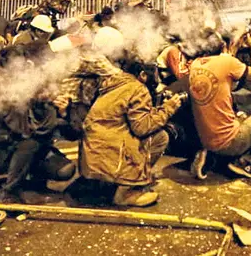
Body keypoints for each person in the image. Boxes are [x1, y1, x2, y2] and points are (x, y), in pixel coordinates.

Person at [79, 55, 185, 207]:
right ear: (142, 75)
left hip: (93, 157)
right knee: (160, 137)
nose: (156, 79)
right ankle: (125, 192)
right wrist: (169, 108)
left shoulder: (117, 83)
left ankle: (108, 183)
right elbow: (142, 128)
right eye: (153, 74)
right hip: (109, 152)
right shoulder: (138, 88)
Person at [187, 30, 251, 180]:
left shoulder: (195, 65)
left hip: (207, 140)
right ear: (222, 47)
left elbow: (222, 69)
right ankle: (243, 161)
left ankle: (211, 156)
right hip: (230, 143)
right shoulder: (227, 63)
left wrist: (232, 50)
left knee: (238, 113)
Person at [0, 97, 77, 203]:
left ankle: (35, 185)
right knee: (32, 143)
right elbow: (25, 132)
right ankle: (10, 192)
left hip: (34, 151)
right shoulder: (14, 97)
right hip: (4, 153)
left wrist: (64, 113)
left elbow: (73, 135)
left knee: (65, 170)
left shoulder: (48, 104)